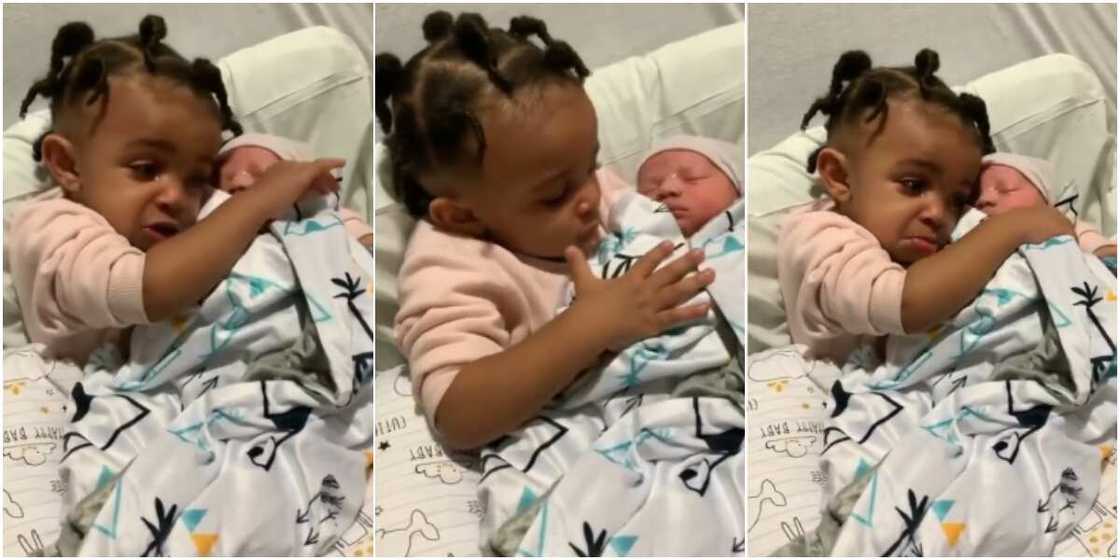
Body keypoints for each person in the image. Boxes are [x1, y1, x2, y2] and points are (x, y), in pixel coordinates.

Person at [381, 11, 715, 449]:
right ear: (462, 216)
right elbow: (457, 414)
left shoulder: (586, 189)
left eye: (592, 165)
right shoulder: (450, 264)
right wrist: (589, 326)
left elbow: (652, 230)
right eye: (554, 194)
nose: (591, 196)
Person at [6, 15, 341, 364]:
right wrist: (258, 201)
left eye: (196, 178)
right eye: (146, 169)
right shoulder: (53, 229)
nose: (176, 197)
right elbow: (147, 290)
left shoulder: (170, 224)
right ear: (67, 165)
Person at [778, 49, 1074, 363]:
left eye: (956, 199)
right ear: (840, 177)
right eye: (913, 185)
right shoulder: (821, 236)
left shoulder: (911, 238)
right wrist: (1014, 226)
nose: (938, 214)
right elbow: (908, 306)